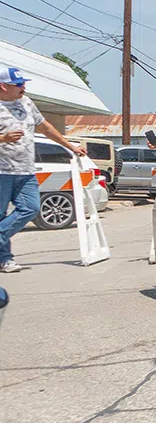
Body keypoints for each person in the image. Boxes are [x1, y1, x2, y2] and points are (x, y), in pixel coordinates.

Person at [0, 66, 86, 273]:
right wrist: (2, 138)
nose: (23, 88)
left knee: (31, 208)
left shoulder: (27, 103)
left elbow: (46, 127)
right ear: (3, 86)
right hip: (2, 171)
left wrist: (70, 146)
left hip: (26, 170)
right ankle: (5, 259)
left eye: (24, 83)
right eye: (18, 85)